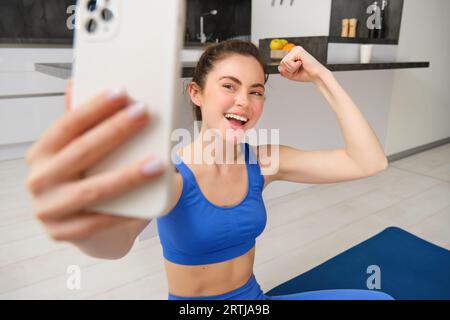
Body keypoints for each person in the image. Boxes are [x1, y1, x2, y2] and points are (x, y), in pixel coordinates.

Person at [25, 40, 393, 300]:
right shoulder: (170, 178)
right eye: (228, 86)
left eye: (256, 91)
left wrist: (322, 77)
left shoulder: (263, 162)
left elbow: (368, 161)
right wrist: (80, 224)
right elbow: (114, 244)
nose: (243, 102)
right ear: (196, 94)